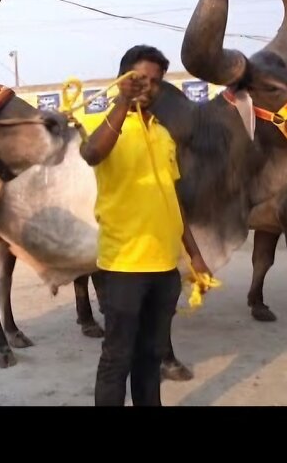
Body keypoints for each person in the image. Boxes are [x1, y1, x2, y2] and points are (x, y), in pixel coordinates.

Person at [75, 45, 211, 406]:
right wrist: (122, 104)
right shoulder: (101, 123)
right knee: (117, 357)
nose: (147, 87)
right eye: (140, 79)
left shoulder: (164, 135)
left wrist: (195, 256)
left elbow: (173, 198)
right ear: (123, 79)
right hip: (123, 267)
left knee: (151, 357)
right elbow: (92, 155)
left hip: (165, 267)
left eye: (155, 82)